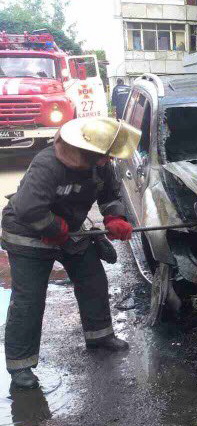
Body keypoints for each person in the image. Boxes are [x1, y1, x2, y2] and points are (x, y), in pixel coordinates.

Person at [1, 117, 141, 389]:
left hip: (70, 230)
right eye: (100, 157)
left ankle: (99, 336)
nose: (104, 161)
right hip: (28, 232)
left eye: (106, 157)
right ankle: (21, 367)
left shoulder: (100, 165)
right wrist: (52, 227)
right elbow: (28, 208)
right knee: (29, 300)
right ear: (83, 151)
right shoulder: (48, 164)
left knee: (93, 280)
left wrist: (115, 217)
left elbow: (110, 195)